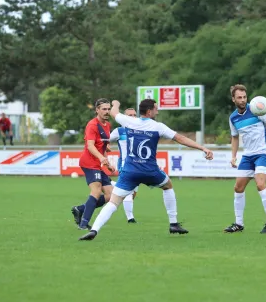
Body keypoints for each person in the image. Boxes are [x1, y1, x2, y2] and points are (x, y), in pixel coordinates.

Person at [79, 98, 213, 241]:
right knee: (168, 186)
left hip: (129, 171)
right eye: (156, 108)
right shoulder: (158, 126)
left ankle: (94, 230)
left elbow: (114, 112)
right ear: (149, 111)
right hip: (150, 171)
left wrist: (116, 103)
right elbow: (180, 138)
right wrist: (202, 148)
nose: (158, 110)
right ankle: (173, 223)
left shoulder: (129, 121)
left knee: (113, 202)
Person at [224, 84, 266, 234]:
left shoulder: (258, 108)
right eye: (239, 97)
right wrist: (233, 156)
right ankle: (239, 223)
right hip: (248, 155)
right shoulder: (233, 118)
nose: (243, 100)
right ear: (233, 99)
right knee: (238, 188)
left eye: (244, 97)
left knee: (260, 184)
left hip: (263, 153)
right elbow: (235, 137)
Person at [71, 98, 116, 230]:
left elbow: (102, 145)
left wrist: (106, 162)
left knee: (110, 195)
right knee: (96, 191)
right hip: (89, 162)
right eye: (104, 109)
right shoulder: (92, 125)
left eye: (108, 109)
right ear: (97, 110)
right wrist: (102, 158)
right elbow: (90, 146)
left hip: (98, 163)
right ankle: (83, 224)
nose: (107, 112)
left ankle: (80, 209)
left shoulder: (107, 125)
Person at [109, 107, 139, 223]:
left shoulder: (140, 129)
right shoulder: (119, 131)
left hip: (137, 166)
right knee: (129, 192)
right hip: (125, 164)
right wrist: (106, 145)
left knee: (133, 192)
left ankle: (109, 182)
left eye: (134, 115)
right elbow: (105, 140)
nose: (133, 117)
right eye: (130, 115)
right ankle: (130, 219)